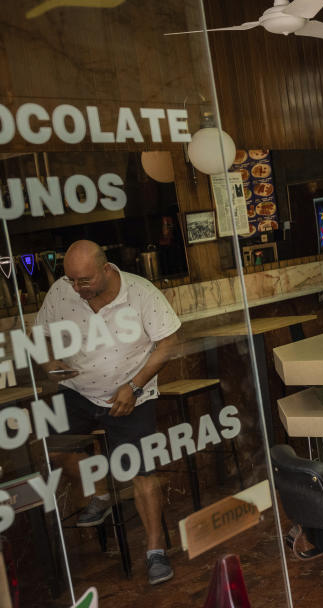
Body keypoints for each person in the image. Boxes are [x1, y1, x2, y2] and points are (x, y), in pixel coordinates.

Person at [38, 240, 180, 585]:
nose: (76, 288)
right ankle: (102, 492)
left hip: (132, 393)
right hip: (78, 391)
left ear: (106, 269)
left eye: (83, 281)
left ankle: (155, 551)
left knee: (141, 471)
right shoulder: (62, 291)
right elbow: (40, 333)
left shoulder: (141, 293)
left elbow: (169, 342)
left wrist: (134, 386)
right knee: (54, 449)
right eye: (71, 279)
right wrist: (51, 363)